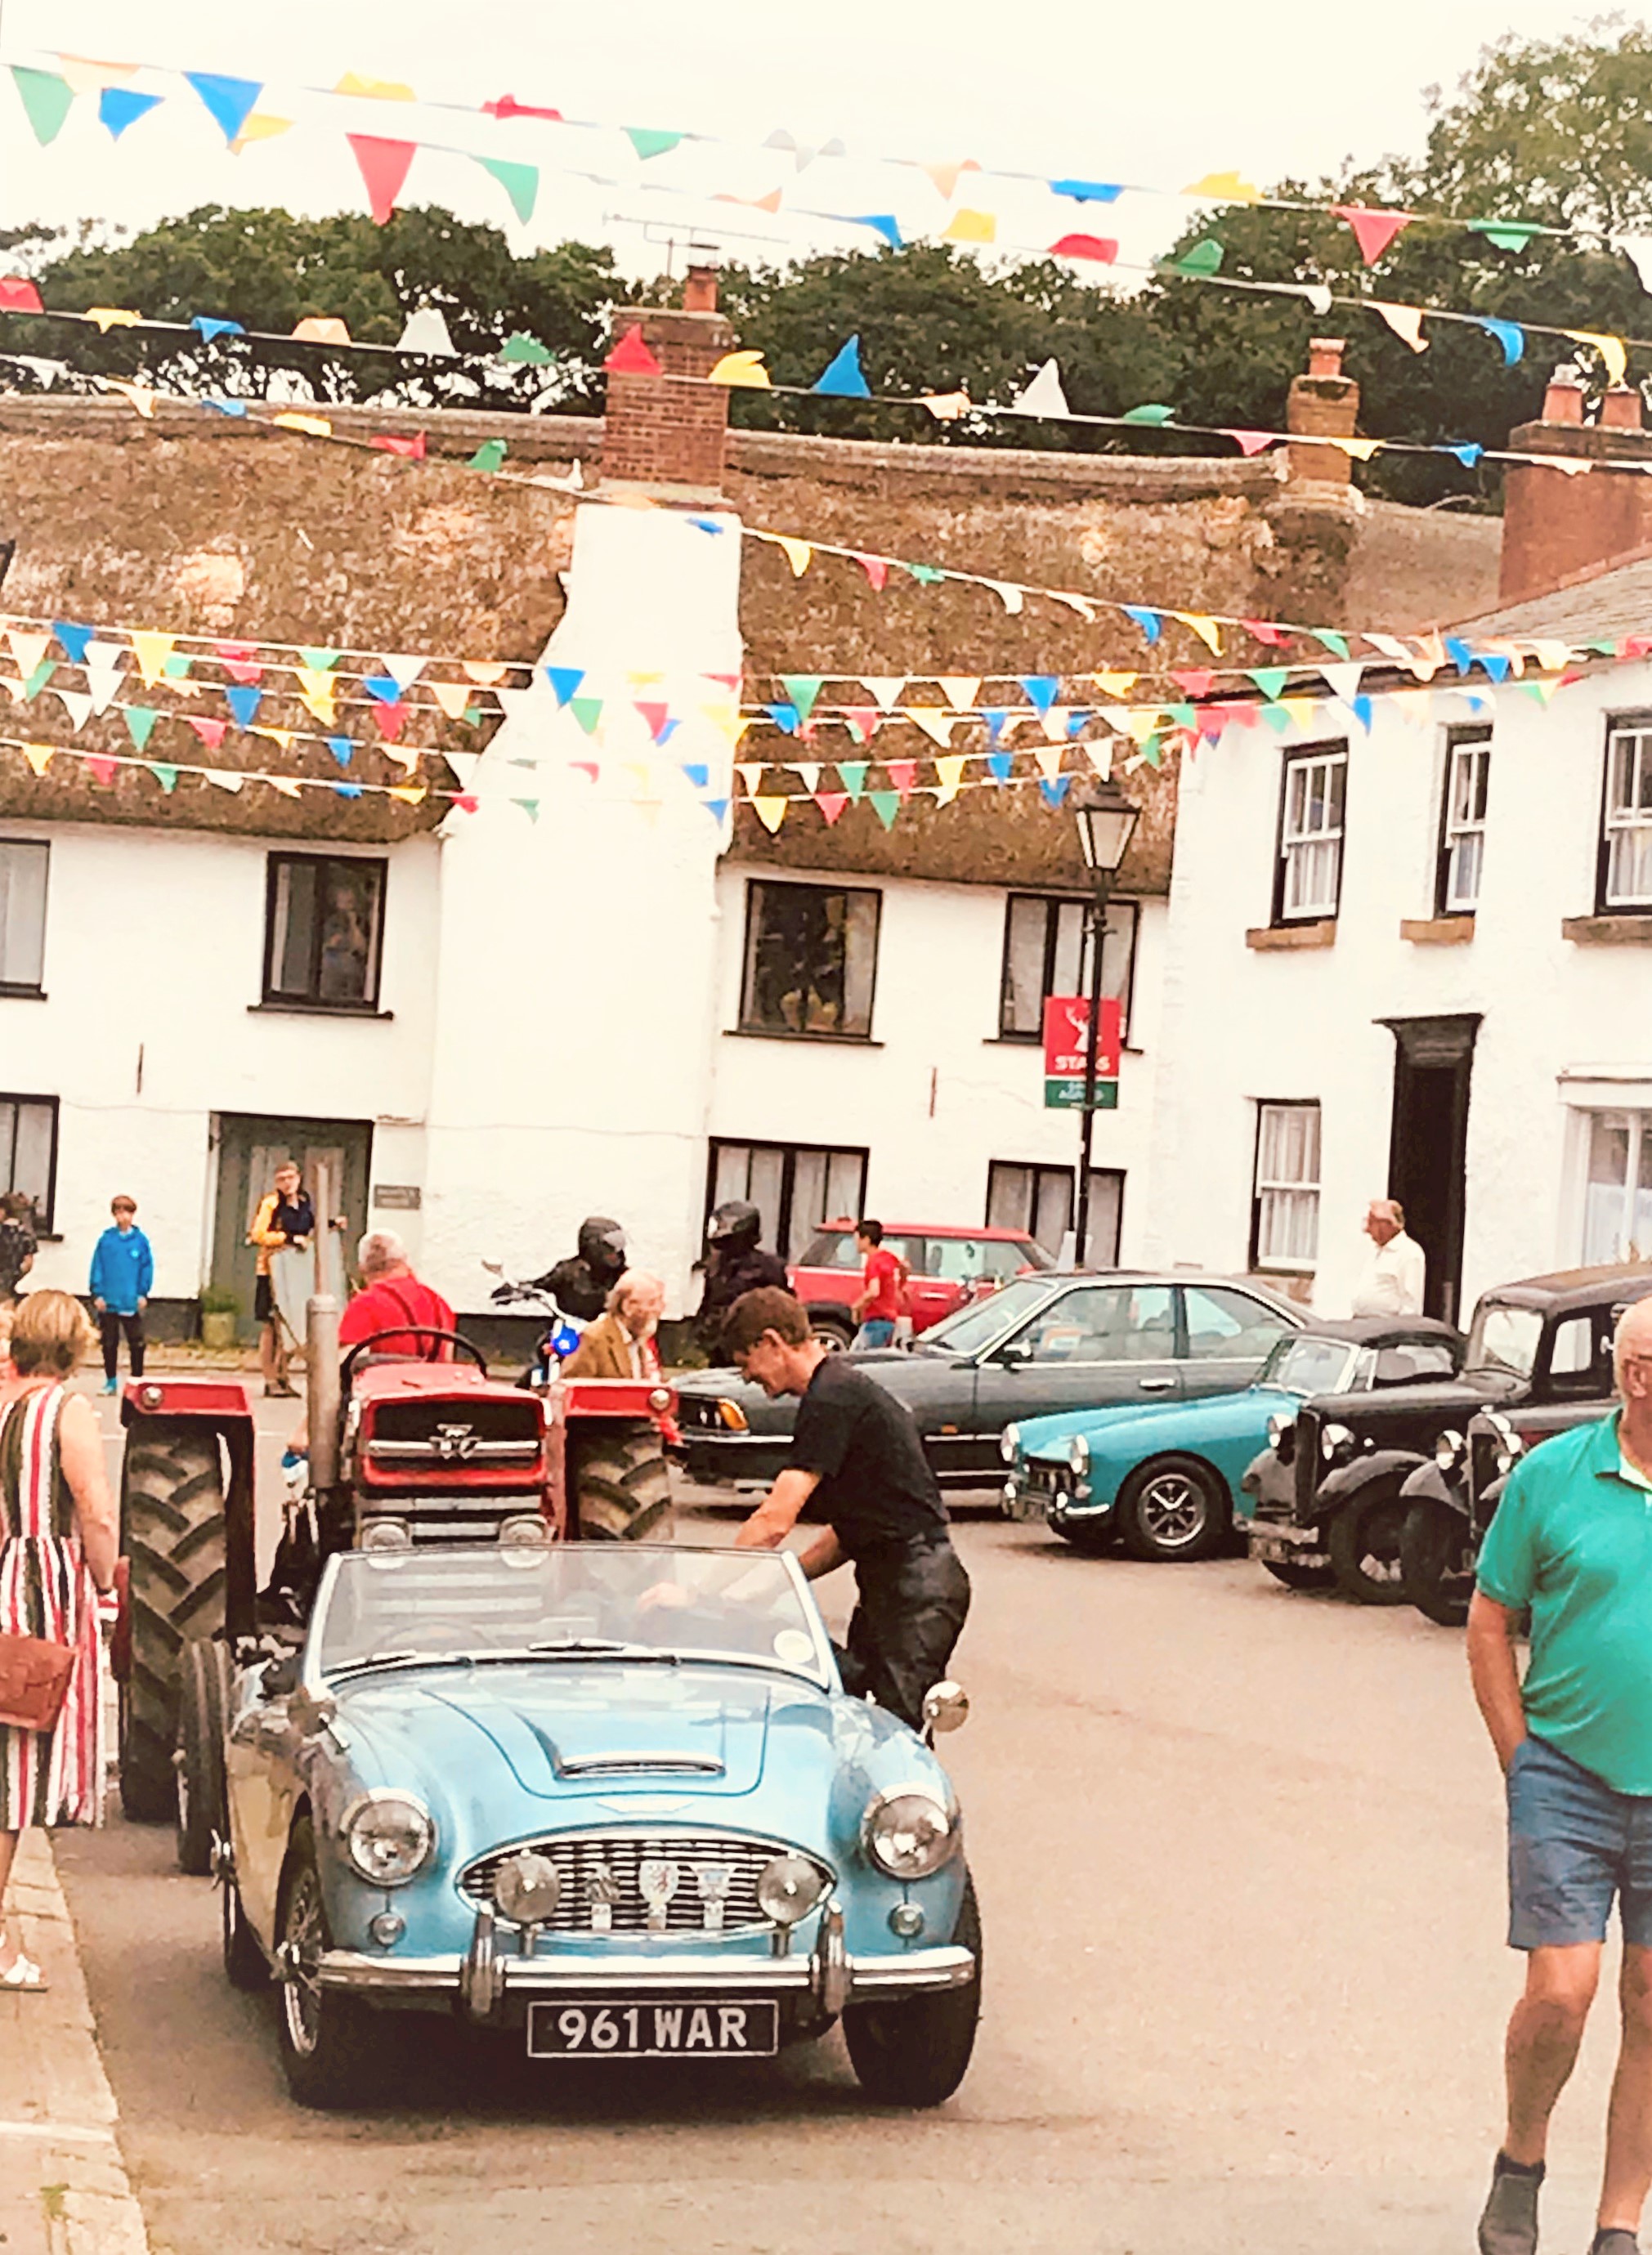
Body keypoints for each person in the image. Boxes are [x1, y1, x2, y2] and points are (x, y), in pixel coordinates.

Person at [1468, 1295, 1652, 2255]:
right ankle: (1520, 2155)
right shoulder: (1552, 1475)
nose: (1645, 1374)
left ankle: (1617, 2219)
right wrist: (1519, 1755)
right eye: (1636, 1357)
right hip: (1566, 1775)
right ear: (1619, 1368)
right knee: (1562, 1992)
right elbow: (1489, 1616)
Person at [723, 1287, 969, 1729]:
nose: (746, 1377)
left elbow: (774, 1519)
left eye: (746, 1361)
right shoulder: (834, 1392)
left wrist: (707, 1587)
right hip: (890, 1585)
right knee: (849, 1707)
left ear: (771, 1342)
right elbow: (851, 1529)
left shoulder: (833, 1398)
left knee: (894, 1732)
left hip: (918, 1587)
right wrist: (785, 1579)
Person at [0, 1291, 119, 1990]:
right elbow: (96, 1509)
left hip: (10, 1572)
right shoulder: (66, 1410)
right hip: (48, 1582)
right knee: (16, 1770)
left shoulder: (10, 1413)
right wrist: (101, 1576)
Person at [248, 1161, 316, 1398]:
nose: (288, 1183)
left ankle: (283, 1375)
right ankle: (270, 1377)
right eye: (282, 1179)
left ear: (299, 1178)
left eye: (291, 1178)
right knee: (270, 1326)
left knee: (289, 1325)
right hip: (271, 1271)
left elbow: (310, 1228)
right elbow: (258, 1234)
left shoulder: (305, 1203)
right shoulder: (271, 1204)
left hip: (295, 1272)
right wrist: (287, 1238)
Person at [694, 1201, 788, 1362]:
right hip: (720, 1347)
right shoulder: (717, 1265)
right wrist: (703, 1331)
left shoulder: (768, 1267)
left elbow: (781, 1309)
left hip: (754, 1348)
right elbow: (710, 1302)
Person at [338, 1231, 454, 1358]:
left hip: (384, 1378)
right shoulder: (437, 1302)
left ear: (362, 1268)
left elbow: (346, 1361)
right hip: (435, 1377)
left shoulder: (364, 1304)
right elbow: (447, 1359)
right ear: (404, 1261)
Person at [89, 1194, 153, 1394]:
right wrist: (97, 1293)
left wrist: (142, 1293)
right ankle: (111, 1381)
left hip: (130, 1299)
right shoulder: (106, 1240)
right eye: (118, 1213)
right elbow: (97, 1266)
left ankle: (137, 1380)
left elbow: (147, 1267)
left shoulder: (140, 1242)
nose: (123, 1217)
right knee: (109, 1343)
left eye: (126, 1212)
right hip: (109, 1300)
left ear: (132, 1215)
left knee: (137, 1343)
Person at [562, 1272, 667, 1381]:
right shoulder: (593, 1338)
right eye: (652, 1303)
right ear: (628, 1307)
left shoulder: (638, 1337)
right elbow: (575, 1390)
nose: (659, 1309)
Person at [532, 1217, 628, 1325]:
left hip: (609, 1334)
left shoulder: (626, 1277)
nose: (616, 1253)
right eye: (610, 1247)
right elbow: (538, 1286)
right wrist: (516, 1290)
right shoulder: (566, 1272)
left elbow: (645, 1291)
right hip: (570, 1330)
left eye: (619, 1247)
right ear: (593, 1246)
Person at [1350, 1197, 1426, 1318]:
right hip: (1362, 1326)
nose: (1367, 1230)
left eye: (1371, 1223)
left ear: (1387, 1224)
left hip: (1385, 1330)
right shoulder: (1377, 1251)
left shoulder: (1409, 1253)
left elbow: (1411, 1306)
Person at [850, 1219, 908, 1351]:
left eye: (857, 1239)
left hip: (876, 1320)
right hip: (890, 1320)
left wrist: (857, 1306)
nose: (856, 1243)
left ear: (866, 1239)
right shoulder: (889, 1257)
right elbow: (904, 1268)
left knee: (859, 1358)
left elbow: (873, 1291)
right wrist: (901, 1287)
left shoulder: (873, 1263)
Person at [0, 1192, 36, 1306]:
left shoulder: (4, 1233)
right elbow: (28, 1264)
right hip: (9, 1286)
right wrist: (15, 1276)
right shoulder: (26, 1235)